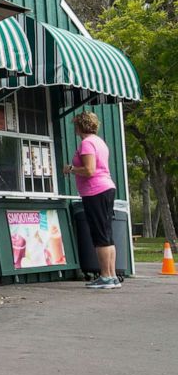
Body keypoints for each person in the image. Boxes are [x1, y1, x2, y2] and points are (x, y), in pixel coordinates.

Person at [63, 111, 119, 290]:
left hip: (95, 191)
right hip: (106, 188)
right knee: (106, 234)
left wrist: (71, 169)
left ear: (80, 126)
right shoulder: (99, 142)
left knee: (99, 235)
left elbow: (89, 170)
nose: (74, 128)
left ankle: (105, 277)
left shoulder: (87, 143)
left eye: (75, 125)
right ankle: (112, 276)